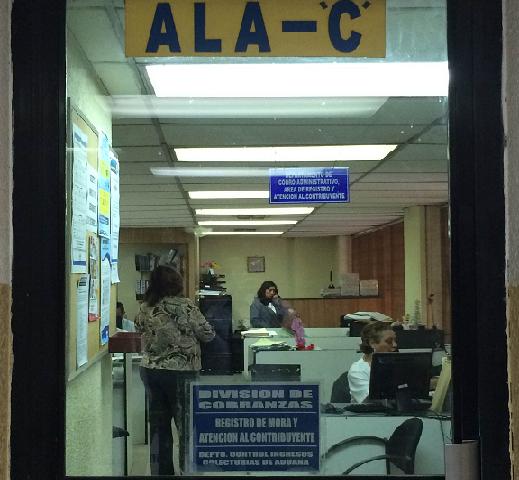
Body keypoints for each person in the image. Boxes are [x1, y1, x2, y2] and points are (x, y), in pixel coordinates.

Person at [134, 265, 215, 475]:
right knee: (187, 426)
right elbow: (207, 334)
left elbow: (138, 328)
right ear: (176, 283)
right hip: (182, 372)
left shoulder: (145, 307)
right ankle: (188, 471)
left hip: (151, 371)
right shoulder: (186, 306)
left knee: (158, 427)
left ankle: (161, 473)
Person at [348, 321, 397, 403]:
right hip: (371, 411)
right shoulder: (357, 370)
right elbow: (372, 398)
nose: (395, 345)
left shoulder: (396, 364)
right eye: (389, 341)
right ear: (372, 343)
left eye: (395, 340)